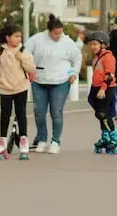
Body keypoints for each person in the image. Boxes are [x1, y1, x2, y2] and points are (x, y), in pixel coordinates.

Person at [25, 14, 81, 154]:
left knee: (56, 112)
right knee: (39, 112)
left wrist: (74, 72)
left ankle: (55, 141)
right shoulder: (37, 39)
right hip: (39, 81)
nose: (58, 36)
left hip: (60, 82)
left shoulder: (67, 42)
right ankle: (42, 139)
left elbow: (77, 57)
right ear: (49, 31)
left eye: (60, 33)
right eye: (55, 33)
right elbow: (24, 54)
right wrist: (28, 68)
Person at [0, 24, 36, 160]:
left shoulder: (23, 50)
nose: (19, 39)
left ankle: (23, 141)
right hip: (5, 88)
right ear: (8, 38)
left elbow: (31, 68)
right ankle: (2, 142)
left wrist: (22, 58)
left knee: (21, 114)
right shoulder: (0, 50)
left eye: (20, 36)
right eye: (16, 36)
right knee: (5, 115)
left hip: (21, 87)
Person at [85, 30, 117, 154]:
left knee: (103, 114)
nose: (93, 46)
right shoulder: (97, 57)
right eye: (91, 44)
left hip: (106, 88)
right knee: (100, 114)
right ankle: (106, 136)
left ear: (103, 45)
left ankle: (115, 137)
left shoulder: (108, 57)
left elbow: (110, 76)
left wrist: (103, 88)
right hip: (96, 87)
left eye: (95, 44)